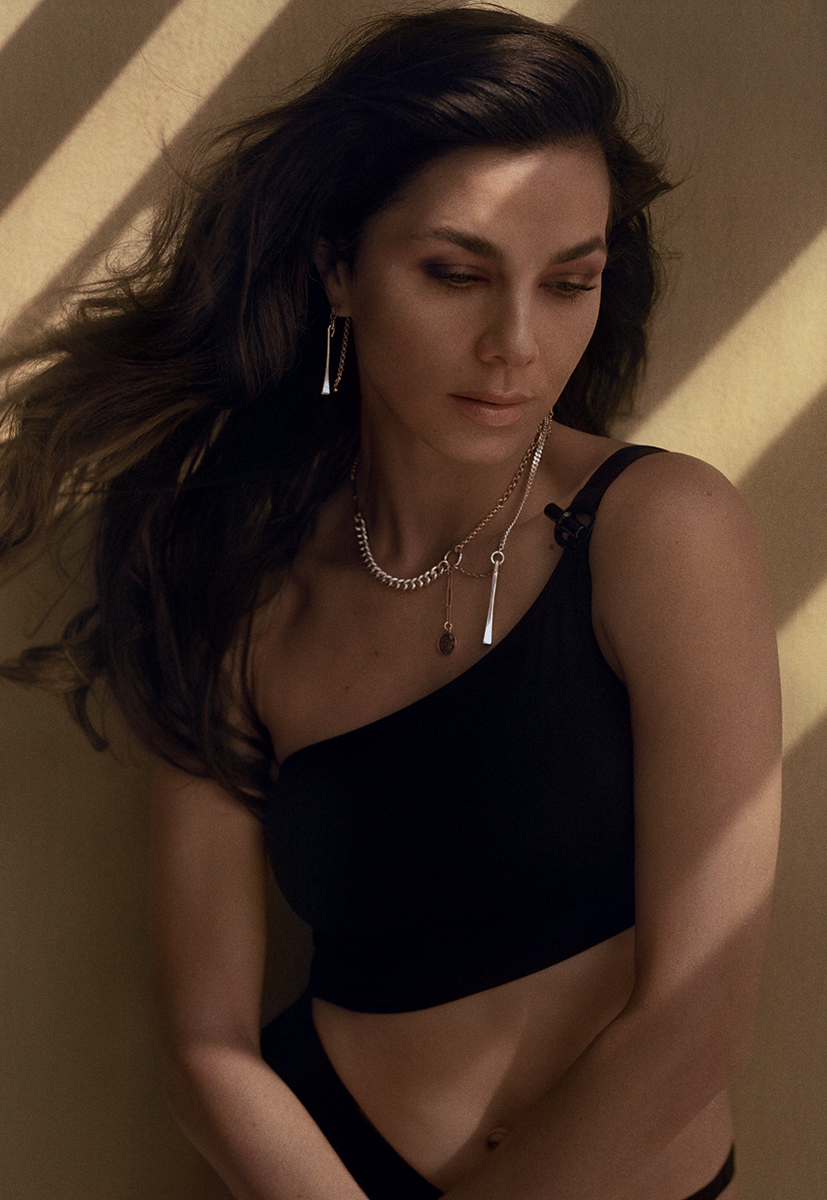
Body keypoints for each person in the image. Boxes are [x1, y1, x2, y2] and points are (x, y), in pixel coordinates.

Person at [0, 7, 781, 1199]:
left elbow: (697, 1024)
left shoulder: (660, 530)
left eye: (568, 283)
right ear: (337, 271)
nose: (514, 343)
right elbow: (206, 1045)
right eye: (454, 274)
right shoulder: (236, 582)